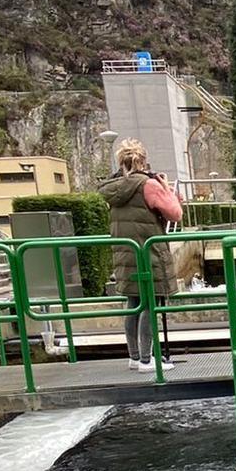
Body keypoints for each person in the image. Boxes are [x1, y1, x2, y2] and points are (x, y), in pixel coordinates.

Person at [103, 138, 176, 371]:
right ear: (143, 161)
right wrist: (166, 188)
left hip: (125, 253)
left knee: (133, 302)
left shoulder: (114, 187)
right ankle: (147, 359)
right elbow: (175, 213)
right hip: (148, 252)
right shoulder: (148, 185)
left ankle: (134, 357)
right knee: (150, 305)